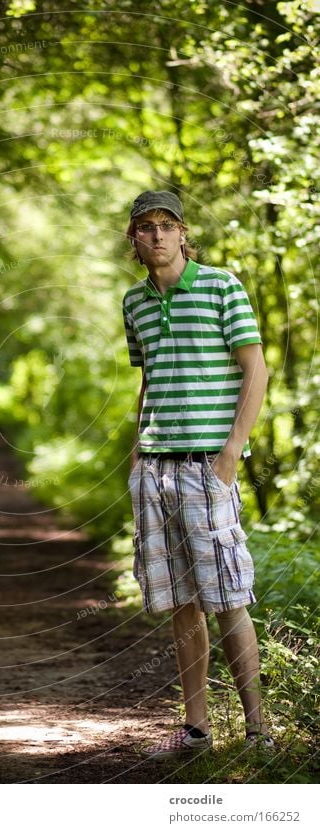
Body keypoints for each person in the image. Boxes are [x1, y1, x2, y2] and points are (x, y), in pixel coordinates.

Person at [122, 190, 274, 759]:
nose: (157, 235)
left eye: (167, 225)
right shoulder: (133, 303)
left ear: (183, 232)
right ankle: (197, 729)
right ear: (133, 239)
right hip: (155, 467)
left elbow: (255, 370)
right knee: (182, 600)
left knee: (228, 595)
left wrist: (233, 451)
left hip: (207, 467)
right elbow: (150, 380)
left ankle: (258, 731)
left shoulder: (221, 286)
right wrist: (139, 450)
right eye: (146, 227)